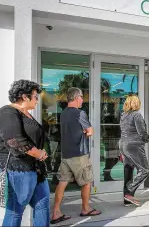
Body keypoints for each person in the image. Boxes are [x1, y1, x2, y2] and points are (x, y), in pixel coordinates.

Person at [0, 79, 50, 227]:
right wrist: (38, 153)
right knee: (15, 211)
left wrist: (40, 153)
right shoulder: (7, 112)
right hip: (16, 167)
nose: (37, 100)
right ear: (24, 97)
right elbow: (14, 141)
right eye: (35, 96)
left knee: (43, 205)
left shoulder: (26, 114)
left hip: (35, 168)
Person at [51, 87, 101, 224]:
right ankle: (86, 208)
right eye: (81, 97)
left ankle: (56, 212)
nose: (82, 100)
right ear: (76, 97)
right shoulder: (80, 113)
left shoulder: (63, 113)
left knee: (62, 182)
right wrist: (86, 132)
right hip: (79, 154)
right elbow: (90, 131)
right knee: (86, 182)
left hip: (66, 154)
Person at [119, 94, 149, 206]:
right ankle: (129, 190)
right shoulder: (137, 115)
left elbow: (123, 131)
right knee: (144, 170)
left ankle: (127, 200)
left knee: (128, 170)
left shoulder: (124, 115)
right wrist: (147, 139)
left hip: (123, 144)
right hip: (134, 145)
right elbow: (142, 133)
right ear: (136, 103)